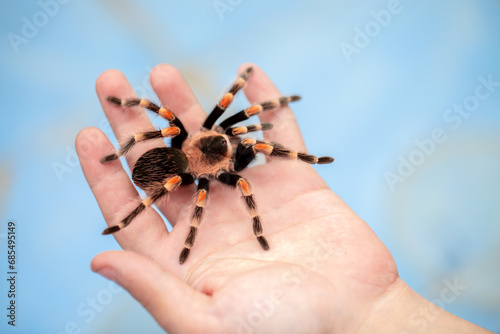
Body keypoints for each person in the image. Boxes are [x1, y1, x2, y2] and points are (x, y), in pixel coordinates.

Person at [76, 64, 492, 333]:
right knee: (204, 158)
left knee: (209, 134)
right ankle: (135, 203)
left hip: (181, 157)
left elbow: (233, 116)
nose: (232, 136)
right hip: (172, 165)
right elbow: (203, 187)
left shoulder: (216, 137)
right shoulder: (200, 172)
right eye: (225, 135)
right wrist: (185, 237)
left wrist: (265, 103)